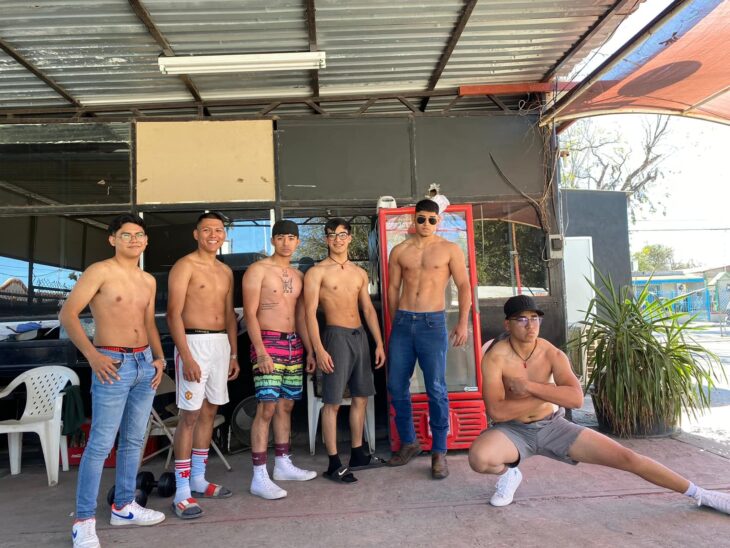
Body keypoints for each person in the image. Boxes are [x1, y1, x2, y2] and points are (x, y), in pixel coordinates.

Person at [468, 294, 730, 515]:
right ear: (508, 323)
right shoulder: (495, 358)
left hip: (554, 426)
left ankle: (702, 494)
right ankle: (510, 474)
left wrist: (530, 388)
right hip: (514, 431)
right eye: (522, 319)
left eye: (535, 318)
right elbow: (497, 411)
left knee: (627, 457)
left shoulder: (552, 353)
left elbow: (575, 398)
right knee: (479, 459)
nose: (530, 325)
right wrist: (551, 392)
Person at [59, 214, 166, 548]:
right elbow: (68, 314)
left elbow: (148, 322)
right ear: (113, 239)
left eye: (139, 235)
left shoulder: (148, 280)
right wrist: (93, 356)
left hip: (144, 363)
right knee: (100, 445)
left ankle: (123, 505)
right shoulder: (100, 271)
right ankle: (84, 520)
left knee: (134, 440)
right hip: (112, 363)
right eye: (126, 235)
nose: (134, 240)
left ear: (146, 241)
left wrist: (159, 358)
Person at [386, 198, 472, 479]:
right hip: (403, 322)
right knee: (396, 385)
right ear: (414, 220)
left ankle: (438, 450)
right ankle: (410, 442)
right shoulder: (400, 250)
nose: (425, 224)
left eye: (431, 220)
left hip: (432, 323)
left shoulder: (449, 250)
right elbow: (392, 288)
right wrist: (393, 321)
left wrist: (462, 322)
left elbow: (463, 285)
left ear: (439, 221)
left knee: (436, 387)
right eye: (421, 219)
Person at [166, 211, 240, 519]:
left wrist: (233, 354)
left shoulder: (225, 272)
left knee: (211, 410)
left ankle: (198, 478)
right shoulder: (185, 266)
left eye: (219, 230)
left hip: (220, 344)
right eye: (207, 229)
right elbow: (173, 314)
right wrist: (186, 355)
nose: (213, 234)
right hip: (193, 343)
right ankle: (181, 491)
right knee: (190, 416)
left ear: (224, 235)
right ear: (196, 234)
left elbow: (229, 315)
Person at [304, 218, 386, 483]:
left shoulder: (359, 273)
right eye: (332, 235)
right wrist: (318, 349)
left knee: (362, 397)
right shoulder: (317, 272)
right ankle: (333, 462)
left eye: (342, 235)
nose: (337, 239)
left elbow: (368, 309)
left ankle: (358, 453)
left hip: (359, 336)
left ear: (350, 238)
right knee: (333, 402)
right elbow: (308, 313)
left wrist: (379, 343)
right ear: (326, 239)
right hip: (334, 337)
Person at [242, 219, 317, 499]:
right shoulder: (257, 270)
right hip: (268, 342)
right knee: (267, 408)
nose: (287, 242)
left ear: (297, 242)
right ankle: (259, 475)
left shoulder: (297, 276)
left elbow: (299, 315)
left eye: (292, 238)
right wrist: (260, 350)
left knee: (286, 406)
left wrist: (308, 349)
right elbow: (249, 313)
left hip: (293, 344)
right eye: (281, 237)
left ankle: (283, 464)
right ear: (273, 240)